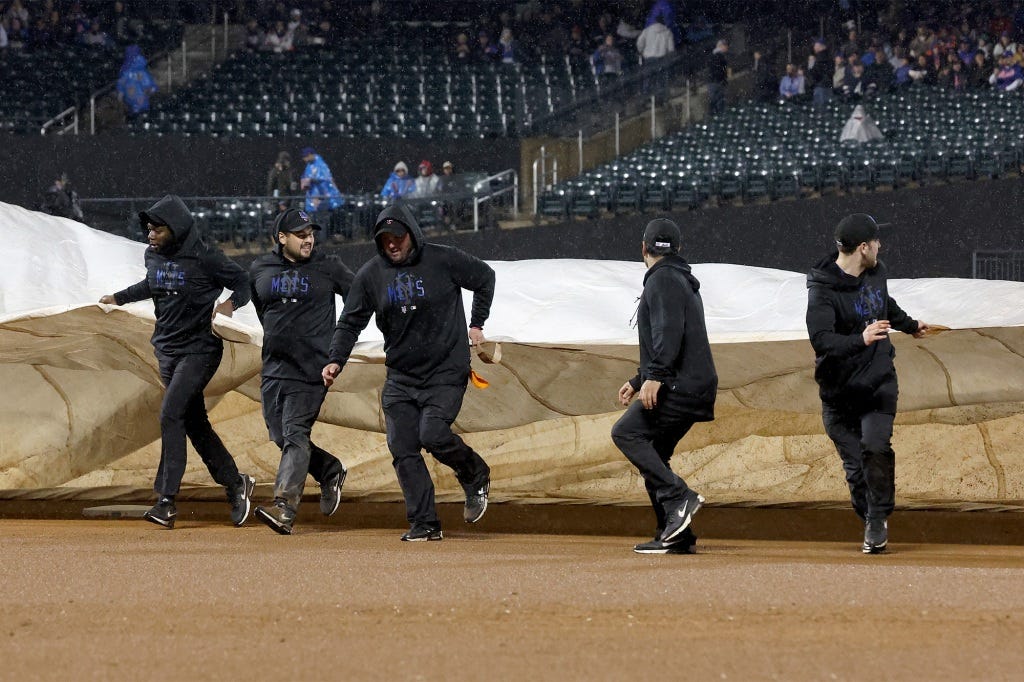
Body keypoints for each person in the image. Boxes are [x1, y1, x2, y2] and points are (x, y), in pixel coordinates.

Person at [322, 204, 495, 542]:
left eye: (398, 236)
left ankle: (475, 474)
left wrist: (477, 323)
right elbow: (350, 322)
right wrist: (335, 359)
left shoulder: (443, 259)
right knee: (402, 446)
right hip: (401, 377)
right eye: (385, 238)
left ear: (412, 234)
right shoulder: (371, 275)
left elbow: (485, 278)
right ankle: (425, 523)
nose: (392, 244)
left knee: (432, 434)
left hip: (446, 370)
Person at [98, 195, 255, 530]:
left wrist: (230, 305)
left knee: (171, 414)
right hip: (166, 351)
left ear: (178, 228)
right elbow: (153, 285)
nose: (151, 235)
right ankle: (235, 483)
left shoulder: (205, 256)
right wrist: (119, 298)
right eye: (148, 229)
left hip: (200, 351)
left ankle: (166, 500)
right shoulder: (152, 256)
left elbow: (243, 281)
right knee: (194, 423)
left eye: (158, 229)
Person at [806, 214, 930, 554]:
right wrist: (860, 338)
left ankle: (877, 519)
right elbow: (821, 340)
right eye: (876, 242)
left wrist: (909, 325)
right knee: (856, 468)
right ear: (863, 247)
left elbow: (883, 303)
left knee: (875, 447)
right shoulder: (822, 290)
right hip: (838, 392)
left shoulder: (878, 272)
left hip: (878, 382)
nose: (880, 246)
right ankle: (869, 515)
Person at [611, 218, 717, 555]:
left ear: (642, 248)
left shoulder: (663, 280)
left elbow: (668, 333)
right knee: (654, 454)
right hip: (689, 382)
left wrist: (654, 376)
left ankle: (679, 499)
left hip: (679, 385)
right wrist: (639, 379)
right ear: (679, 248)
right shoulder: (678, 278)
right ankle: (675, 533)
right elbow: (671, 338)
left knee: (626, 433)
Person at [249, 208, 355, 534]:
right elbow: (260, 307)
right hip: (274, 368)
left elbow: (359, 298)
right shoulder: (259, 269)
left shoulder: (329, 266)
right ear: (281, 238)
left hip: (313, 368)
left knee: (295, 433)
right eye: (300, 234)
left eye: (311, 233)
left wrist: (338, 346)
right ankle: (329, 470)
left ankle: (284, 508)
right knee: (281, 437)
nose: (308, 239)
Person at [116, 44, 157, 120]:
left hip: (131, 104)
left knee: (135, 120)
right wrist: (148, 92)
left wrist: (121, 95)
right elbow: (148, 86)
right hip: (141, 103)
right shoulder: (140, 71)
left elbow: (120, 87)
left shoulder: (124, 72)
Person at [300, 147, 344, 215]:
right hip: (315, 197)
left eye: (306, 156)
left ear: (310, 155)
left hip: (322, 196)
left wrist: (311, 179)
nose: (304, 159)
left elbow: (325, 178)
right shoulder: (309, 166)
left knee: (323, 216)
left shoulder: (320, 165)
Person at [707, 39, 730, 115]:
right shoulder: (718, 56)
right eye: (725, 46)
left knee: (715, 101)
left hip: (714, 81)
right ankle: (717, 116)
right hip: (717, 82)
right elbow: (720, 71)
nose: (726, 48)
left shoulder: (713, 56)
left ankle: (714, 115)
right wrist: (722, 80)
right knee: (718, 102)